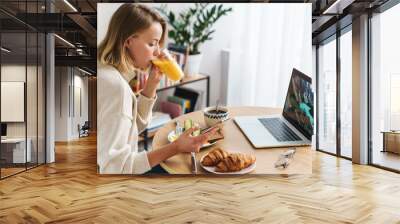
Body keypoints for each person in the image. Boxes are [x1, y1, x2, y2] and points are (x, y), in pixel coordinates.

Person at [97, 3, 216, 174]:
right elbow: (118, 167)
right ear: (129, 41)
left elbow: (133, 127)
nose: (158, 52)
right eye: (152, 44)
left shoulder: (106, 71)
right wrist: (175, 147)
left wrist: (151, 85)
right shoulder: (116, 87)